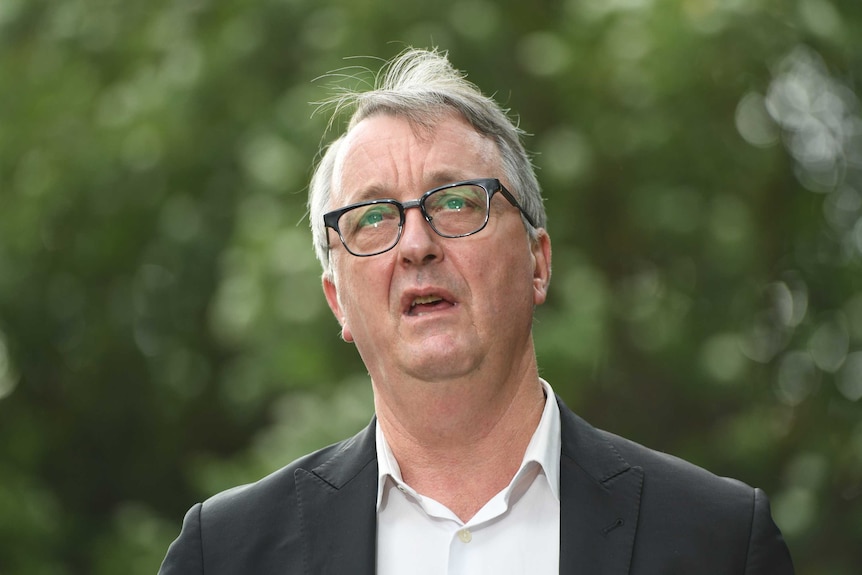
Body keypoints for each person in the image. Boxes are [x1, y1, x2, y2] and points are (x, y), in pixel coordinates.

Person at [159, 47, 794, 574]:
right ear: (338, 302)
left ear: (538, 262)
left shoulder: (720, 541)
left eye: (457, 202)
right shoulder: (225, 554)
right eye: (374, 217)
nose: (416, 245)